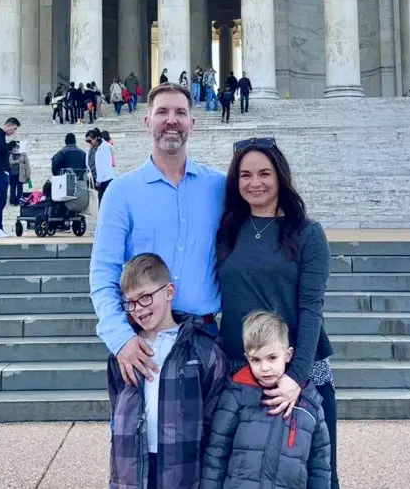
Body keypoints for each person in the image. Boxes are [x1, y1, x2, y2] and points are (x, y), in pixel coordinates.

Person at [216, 137, 338, 489]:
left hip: (299, 370)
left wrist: (295, 378)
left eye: (264, 173)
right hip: (241, 371)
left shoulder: (307, 233)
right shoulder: (227, 232)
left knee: (313, 474)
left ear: (280, 177)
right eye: (245, 175)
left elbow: (312, 308)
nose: (255, 183)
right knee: (241, 475)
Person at [89, 82, 227, 387]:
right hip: (140, 342)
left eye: (180, 112)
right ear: (147, 121)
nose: (171, 120)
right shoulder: (121, 192)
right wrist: (120, 337)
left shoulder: (220, 187)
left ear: (193, 122)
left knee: (212, 435)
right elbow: (104, 273)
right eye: (162, 111)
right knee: (138, 435)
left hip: (204, 338)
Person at [107, 253, 228, 489]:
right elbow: (116, 409)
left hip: (182, 471)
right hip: (132, 470)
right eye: (130, 302)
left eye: (145, 297)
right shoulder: (122, 354)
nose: (138, 309)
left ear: (169, 292)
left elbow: (215, 424)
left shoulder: (203, 351)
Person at [201, 310, 331, 489]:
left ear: (288, 355)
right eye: (256, 360)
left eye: (272, 358)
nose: (265, 368)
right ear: (247, 358)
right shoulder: (236, 396)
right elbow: (216, 454)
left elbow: (320, 468)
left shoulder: (310, 404)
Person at [88, 127, 115, 204]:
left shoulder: (104, 147)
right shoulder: (93, 148)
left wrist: (98, 180)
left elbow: (102, 166)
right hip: (99, 179)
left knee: (104, 202)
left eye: (90, 140)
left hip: (105, 179)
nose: (89, 143)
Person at [8, 141, 32, 206]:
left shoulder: (23, 155)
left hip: (20, 175)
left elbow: (27, 166)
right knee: (12, 189)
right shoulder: (10, 154)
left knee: (20, 189)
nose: (16, 147)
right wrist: (17, 161)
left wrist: (28, 175)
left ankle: (18, 201)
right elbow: (8, 163)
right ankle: (12, 201)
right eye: (15, 146)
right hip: (12, 175)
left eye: (17, 146)